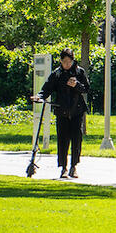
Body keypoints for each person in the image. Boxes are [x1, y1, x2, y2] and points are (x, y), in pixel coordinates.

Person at [31, 48, 89, 179]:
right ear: (61, 61)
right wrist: (39, 97)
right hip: (62, 110)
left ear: (73, 61)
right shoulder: (57, 74)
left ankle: (74, 166)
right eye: (64, 61)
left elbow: (86, 88)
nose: (67, 64)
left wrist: (76, 85)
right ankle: (63, 168)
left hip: (77, 111)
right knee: (62, 140)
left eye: (69, 61)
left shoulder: (79, 72)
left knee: (76, 139)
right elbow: (47, 89)